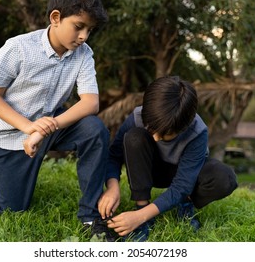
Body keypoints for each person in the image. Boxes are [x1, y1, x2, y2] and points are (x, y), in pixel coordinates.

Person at [0, 0, 117, 241]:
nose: (84, 37)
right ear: (56, 18)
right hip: (12, 137)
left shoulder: (83, 54)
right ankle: (6, 169)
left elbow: (90, 102)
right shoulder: (18, 48)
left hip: (51, 128)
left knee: (94, 128)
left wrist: (48, 126)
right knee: (13, 211)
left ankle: (90, 217)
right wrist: (29, 128)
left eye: (90, 30)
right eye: (79, 27)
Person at [98, 76, 238, 241]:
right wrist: (113, 187)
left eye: (166, 134)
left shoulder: (197, 132)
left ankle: (184, 205)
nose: (156, 138)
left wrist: (139, 217)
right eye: (152, 129)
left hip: (183, 172)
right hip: (151, 168)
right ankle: (142, 208)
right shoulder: (139, 116)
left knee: (225, 178)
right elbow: (113, 156)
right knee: (134, 137)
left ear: (184, 127)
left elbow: (182, 185)